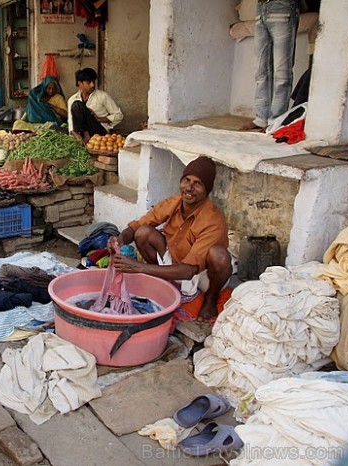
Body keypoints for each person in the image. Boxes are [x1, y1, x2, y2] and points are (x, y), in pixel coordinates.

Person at [109, 156, 232, 322]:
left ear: (207, 189)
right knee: (143, 232)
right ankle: (162, 280)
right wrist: (120, 240)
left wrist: (138, 267)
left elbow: (189, 271)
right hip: (175, 260)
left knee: (220, 256)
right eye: (186, 180)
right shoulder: (174, 203)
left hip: (203, 274)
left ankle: (210, 298)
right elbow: (136, 227)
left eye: (198, 184)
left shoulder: (213, 220)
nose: (189, 188)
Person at [241, 0, 299, 131]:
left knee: (282, 72)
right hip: (261, 8)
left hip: (282, 6)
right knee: (260, 71)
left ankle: (276, 120)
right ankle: (261, 118)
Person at [67, 67, 123, 145]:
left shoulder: (102, 96)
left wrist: (99, 119)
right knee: (76, 105)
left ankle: (86, 135)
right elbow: (70, 120)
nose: (92, 85)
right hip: (80, 133)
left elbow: (119, 115)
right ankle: (83, 137)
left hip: (99, 132)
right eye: (89, 82)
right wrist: (75, 135)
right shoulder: (72, 99)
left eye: (93, 82)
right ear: (80, 83)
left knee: (77, 105)